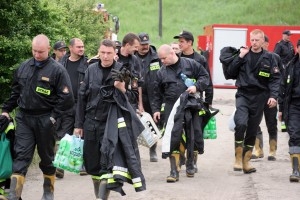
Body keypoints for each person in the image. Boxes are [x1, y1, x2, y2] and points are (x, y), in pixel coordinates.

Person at [0, 34, 74, 200]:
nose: (37, 54)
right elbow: (15, 92)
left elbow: (67, 99)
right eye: (34, 51)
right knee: (21, 155)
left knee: (47, 158)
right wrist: (6, 110)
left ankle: (48, 191)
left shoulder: (57, 70)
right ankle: (14, 195)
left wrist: (53, 118)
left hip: (46, 119)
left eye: (40, 52)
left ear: (48, 49)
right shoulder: (24, 67)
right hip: (25, 118)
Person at [74, 39, 146, 199]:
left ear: (115, 54)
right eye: (102, 53)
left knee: (107, 165)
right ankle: (99, 194)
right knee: (92, 166)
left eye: (109, 53)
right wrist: (78, 124)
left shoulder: (124, 71)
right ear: (98, 53)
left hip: (113, 125)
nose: (105, 56)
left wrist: (122, 89)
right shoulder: (90, 70)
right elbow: (81, 98)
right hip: (91, 123)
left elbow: (133, 97)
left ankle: (102, 197)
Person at [152, 44, 210, 182]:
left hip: (191, 105)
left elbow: (205, 77)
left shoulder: (191, 64)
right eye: (160, 59)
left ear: (172, 53)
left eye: (164, 58)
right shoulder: (161, 72)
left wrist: (196, 87)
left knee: (194, 134)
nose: (162, 61)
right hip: (172, 106)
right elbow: (156, 93)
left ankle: (191, 163)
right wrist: (156, 110)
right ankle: (174, 171)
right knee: (173, 137)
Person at [226, 29, 281, 174]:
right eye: (252, 40)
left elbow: (275, 80)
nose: (254, 43)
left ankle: (246, 161)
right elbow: (230, 73)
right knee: (241, 123)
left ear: (263, 41)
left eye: (257, 40)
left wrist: (273, 96)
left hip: (260, 97)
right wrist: (239, 57)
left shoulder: (270, 58)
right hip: (243, 95)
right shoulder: (243, 54)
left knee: (252, 130)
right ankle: (238, 158)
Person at [173, 30, 214, 171]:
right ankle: (182, 156)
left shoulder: (200, 59)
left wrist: (208, 101)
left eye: (182, 41)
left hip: (196, 103)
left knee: (195, 132)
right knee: (178, 132)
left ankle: (193, 159)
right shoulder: (176, 58)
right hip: (179, 102)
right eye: (179, 41)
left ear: (190, 43)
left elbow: (207, 80)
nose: (179, 44)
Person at [58, 38, 89, 178]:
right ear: (71, 48)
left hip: (82, 103)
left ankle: (82, 163)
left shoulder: (88, 64)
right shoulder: (61, 63)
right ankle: (60, 165)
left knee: (82, 133)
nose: (81, 49)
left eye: (83, 46)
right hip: (66, 103)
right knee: (64, 134)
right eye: (78, 47)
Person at [252, 35, 283, 161]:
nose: (257, 44)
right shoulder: (251, 57)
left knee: (271, 123)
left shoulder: (274, 57)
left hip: (270, 96)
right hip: (255, 96)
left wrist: (276, 96)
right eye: (253, 41)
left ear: (266, 44)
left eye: (260, 42)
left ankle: (272, 150)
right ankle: (258, 149)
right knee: (254, 123)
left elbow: (279, 77)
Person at [135, 32, 161, 162]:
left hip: (153, 95)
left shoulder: (157, 57)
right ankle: (134, 151)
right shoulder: (133, 57)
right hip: (136, 96)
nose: (145, 46)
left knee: (153, 123)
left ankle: (153, 149)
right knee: (134, 123)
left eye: (146, 44)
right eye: (142, 44)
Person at [278, 39, 300, 182]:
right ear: (297, 49)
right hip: (293, 106)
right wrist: (281, 109)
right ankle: (295, 170)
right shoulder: (290, 66)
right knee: (294, 135)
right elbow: (282, 89)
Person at [115, 32, 144, 112]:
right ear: (127, 45)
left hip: (130, 100)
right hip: (115, 101)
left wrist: (140, 104)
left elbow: (139, 83)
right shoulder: (114, 57)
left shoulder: (135, 60)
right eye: (135, 47)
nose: (137, 49)